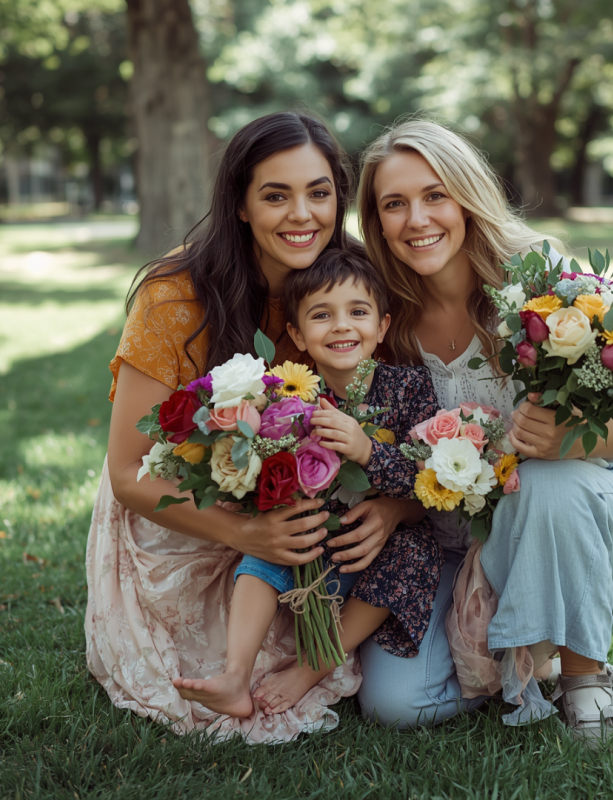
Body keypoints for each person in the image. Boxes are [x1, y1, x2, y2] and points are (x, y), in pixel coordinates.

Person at [85, 112, 424, 743]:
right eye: (275, 195)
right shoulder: (175, 297)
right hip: (186, 500)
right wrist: (251, 532)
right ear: (240, 204)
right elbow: (128, 473)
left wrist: (394, 510)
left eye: (319, 193)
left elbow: (395, 425)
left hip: (311, 499)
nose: (303, 215)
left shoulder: (350, 288)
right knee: (226, 649)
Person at [355, 119, 613, 746]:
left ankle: (583, 674)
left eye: (434, 195)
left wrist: (567, 440)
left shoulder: (540, 281)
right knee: (396, 704)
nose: (417, 219)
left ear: (466, 194)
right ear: (376, 219)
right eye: (395, 203)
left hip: (583, 511)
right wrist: (392, 504)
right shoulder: (377, 312)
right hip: (454, 543)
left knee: (543, 479)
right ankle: (537, 655)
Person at [173, 248, 443, 718]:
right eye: (322, 315)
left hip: (382, 546)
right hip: (315, 542)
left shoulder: (410, 388)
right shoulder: (289, 398)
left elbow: (425, 484)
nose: (341, 326)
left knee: (415, 552)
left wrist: (367, 451)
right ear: (296, 334)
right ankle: (235, 675)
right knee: (268, 545)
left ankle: (313, 666)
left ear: (382, 326)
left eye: (357, 312)